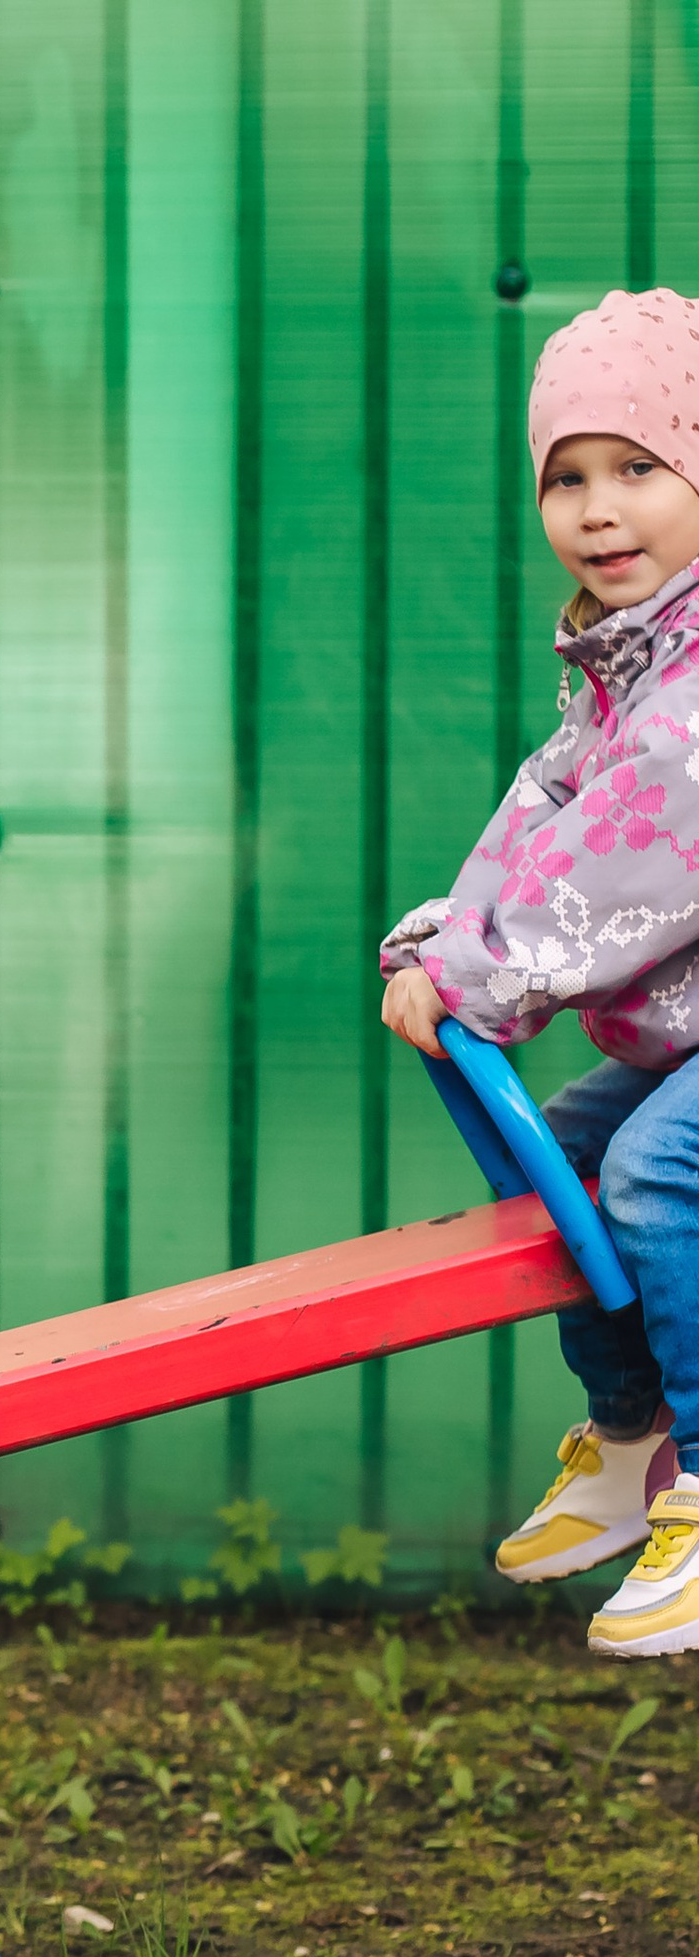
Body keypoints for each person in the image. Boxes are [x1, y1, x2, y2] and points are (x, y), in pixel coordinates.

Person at [380, 288, 699, 1658]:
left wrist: (490, 977)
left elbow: (637, 858)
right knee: (566, 1154)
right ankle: (631, 1434)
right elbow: (551, 805)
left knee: (655, 1175)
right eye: (568, 477)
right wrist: (452, 934)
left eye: (639, 467)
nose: (597, 507)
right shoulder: (626, 662)